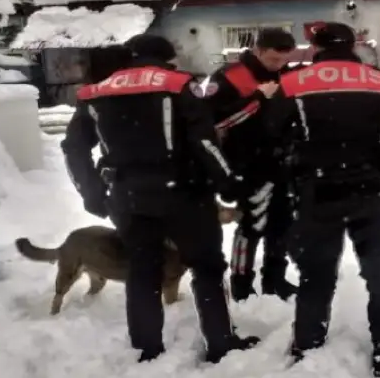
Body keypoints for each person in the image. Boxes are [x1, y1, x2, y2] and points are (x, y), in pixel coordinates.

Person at [61, 34, 261, 364]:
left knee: (142, 268)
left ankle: (146, 346)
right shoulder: (179, 84)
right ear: (168, 59)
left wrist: (92, 193)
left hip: (128, 196)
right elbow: (205, 143)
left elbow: (73, 148)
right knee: (207, 268)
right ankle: (220, 342)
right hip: (184, 194)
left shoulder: (95, 92)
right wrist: (228, 183)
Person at [258, 22, 380, 377]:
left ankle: (308, 342)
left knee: (317, 272)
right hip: (372, 189)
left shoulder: (293, 83)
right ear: (355, 46)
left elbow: (271, 134)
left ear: (315, 47)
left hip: (317, 189)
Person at [204, 28, 299, 302]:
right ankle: (241, 282)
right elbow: (214, 124)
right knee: (251, 224)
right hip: (246, 162)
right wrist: (257, 99)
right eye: (272, 60)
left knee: (282, 223)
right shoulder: (229, 77)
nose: (278, 65)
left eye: (283, 60)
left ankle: (275, 279)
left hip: (283, 160)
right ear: (257, 50)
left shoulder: (287, 75)